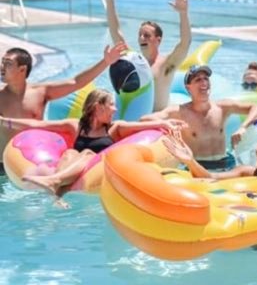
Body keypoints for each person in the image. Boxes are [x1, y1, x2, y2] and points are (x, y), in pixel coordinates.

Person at [3, 88, 185, 207]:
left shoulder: (115, 128)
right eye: (111, 105)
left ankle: (54, 182)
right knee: (70, 152)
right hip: (73, 172)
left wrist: (166, 123)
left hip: (98, 173)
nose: (115, 109)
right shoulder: (75, 126)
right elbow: (37, 126)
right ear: (98, 107)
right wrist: (5, 121)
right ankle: (57, 192)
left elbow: (144, 126)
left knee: (88, 152)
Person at [0, 43, 128, 172]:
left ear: (22, 69)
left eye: (8, 63)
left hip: (34, 162)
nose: (2, 67)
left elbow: (76, 83)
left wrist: (105, 62)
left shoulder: (40, 92)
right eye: (2, 62)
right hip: (4, 166)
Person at [141, 64, 257, 170]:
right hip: (198, 165)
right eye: (198, 80)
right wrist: (164, 123)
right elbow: (144, 119)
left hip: (225, 162)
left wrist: (243, 128)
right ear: (188, 88)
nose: (204, 82)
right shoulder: (178, 111)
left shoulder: (222, 107)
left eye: (206, 78)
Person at [99, 0, 192, 111]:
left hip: (159, 121)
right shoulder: (133, 61)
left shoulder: (166, 64)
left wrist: (183, 13)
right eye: (140, 35)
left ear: (158, 40)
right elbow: (116, 32)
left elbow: (185, 43)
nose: (142, 38)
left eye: (147, 35)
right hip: (137, 121)